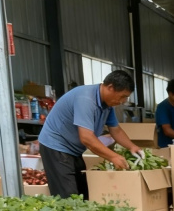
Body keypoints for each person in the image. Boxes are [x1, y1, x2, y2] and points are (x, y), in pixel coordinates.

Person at [39, 70, 143, 198]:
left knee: (83, 195)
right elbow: (86, 138)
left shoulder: (107, 105)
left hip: (74, 150)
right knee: (68, 197)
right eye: (122, 96)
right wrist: (113, 157)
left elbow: (115, 130)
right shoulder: (86, 99)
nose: (123, 101)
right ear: (110, 88)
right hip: (56, 147)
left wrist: (132, 146)